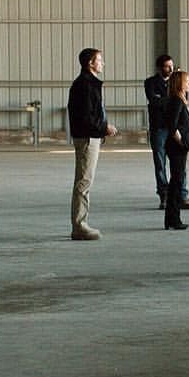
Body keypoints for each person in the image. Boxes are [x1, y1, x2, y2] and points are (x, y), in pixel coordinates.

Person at [67, 48, 117, 241]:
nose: (103, 63)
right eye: (99, 60)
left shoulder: (88, 83)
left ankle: (80, 223)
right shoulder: (85, 85)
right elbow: (87, 116)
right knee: (84, 181)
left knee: (85, 180)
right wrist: (104, 127)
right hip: (87, 137)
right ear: (90, 63)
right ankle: (79, 225)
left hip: (90, 135)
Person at [145, 54, 189, 210]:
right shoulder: (150, 83)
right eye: (167, 66)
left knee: (180, 162)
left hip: (176, 126)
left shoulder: (178, 81)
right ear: (159, 68)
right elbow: (154, 101)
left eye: (172, 65)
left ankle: (182, 194)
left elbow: (183, 101)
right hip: (159, 127)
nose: (171, 69)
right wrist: (172, 100)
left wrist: (165, 100)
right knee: (160, 162)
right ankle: (163, 194)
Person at [161, 70, 189, 231]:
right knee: (177, 181)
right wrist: (181, 142)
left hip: (178, 147)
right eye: (187, 81)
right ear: (179, 83)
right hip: (176, 147)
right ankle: (174, 218)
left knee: (177, 180)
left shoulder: (180, 100)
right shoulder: (176, 101)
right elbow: (172, 125)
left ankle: (171, 218)